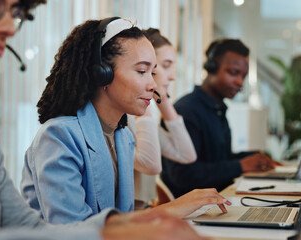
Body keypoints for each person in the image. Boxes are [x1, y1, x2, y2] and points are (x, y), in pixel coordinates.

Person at [0, 1, 208, 239]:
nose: (9, 26)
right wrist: (128, 228)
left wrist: (150, 222)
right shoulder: (59, 134)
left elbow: (28, 227)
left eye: (16, 11)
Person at [20, 17, 230, 225]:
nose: (152, 84)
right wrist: (170, 211)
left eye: (153, 72)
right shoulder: (58, 137)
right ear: (102, 74)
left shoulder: (123, 137)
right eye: (141, 71)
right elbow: (73, 231)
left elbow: (122, 221)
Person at [161, 39, 279, 197]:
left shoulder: (217, 109)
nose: (239, 82)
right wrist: (240, 166)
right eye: (233, 73)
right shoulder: (187, 110)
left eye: (243, 76)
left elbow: (218, 159)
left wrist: (253, 158)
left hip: (217, 199)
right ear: (212, 68)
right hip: (193, 210)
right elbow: (183, 175)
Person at [128, 28, 197, 204]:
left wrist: (163, 100)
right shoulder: (127, 119)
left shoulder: (144, 120)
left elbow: (186, 155)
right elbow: (151, 165)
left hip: (145, 214)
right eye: (166, 66)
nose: (173, 76)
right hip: (132, 219)